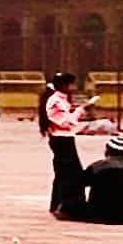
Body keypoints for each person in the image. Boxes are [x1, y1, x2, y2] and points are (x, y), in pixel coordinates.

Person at [39, 74, 87, 221]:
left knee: (64, 173)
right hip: (61, 139)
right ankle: (64, 205)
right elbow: (66, 122)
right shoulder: (55, 101)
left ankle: (58, 204)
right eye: (71, 84)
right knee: (68, 173)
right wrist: (79, 111)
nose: (73, 87)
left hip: (65, 138)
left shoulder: (62, 100)